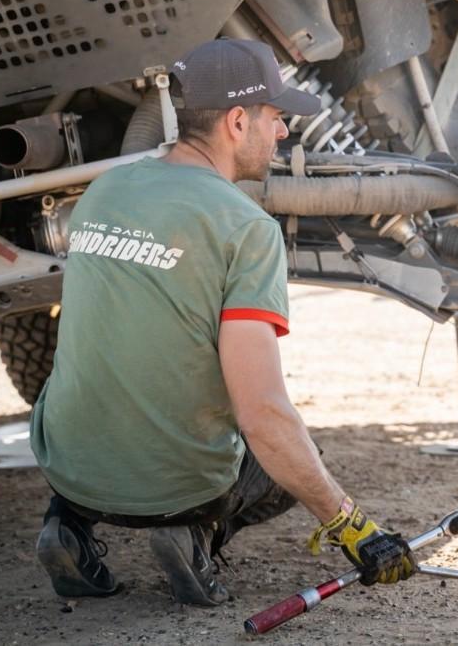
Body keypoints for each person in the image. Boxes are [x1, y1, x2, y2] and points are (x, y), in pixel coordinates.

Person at [30, 39, 416, 607]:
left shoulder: (102, 191)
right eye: (276, 117)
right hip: (179, 487)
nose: (283, 132)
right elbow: (262, 416)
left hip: (65, 464)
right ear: (238, 121)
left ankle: (67, 523)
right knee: (293, 456)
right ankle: (195, 532)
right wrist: (354, 527)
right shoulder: (246, 227)